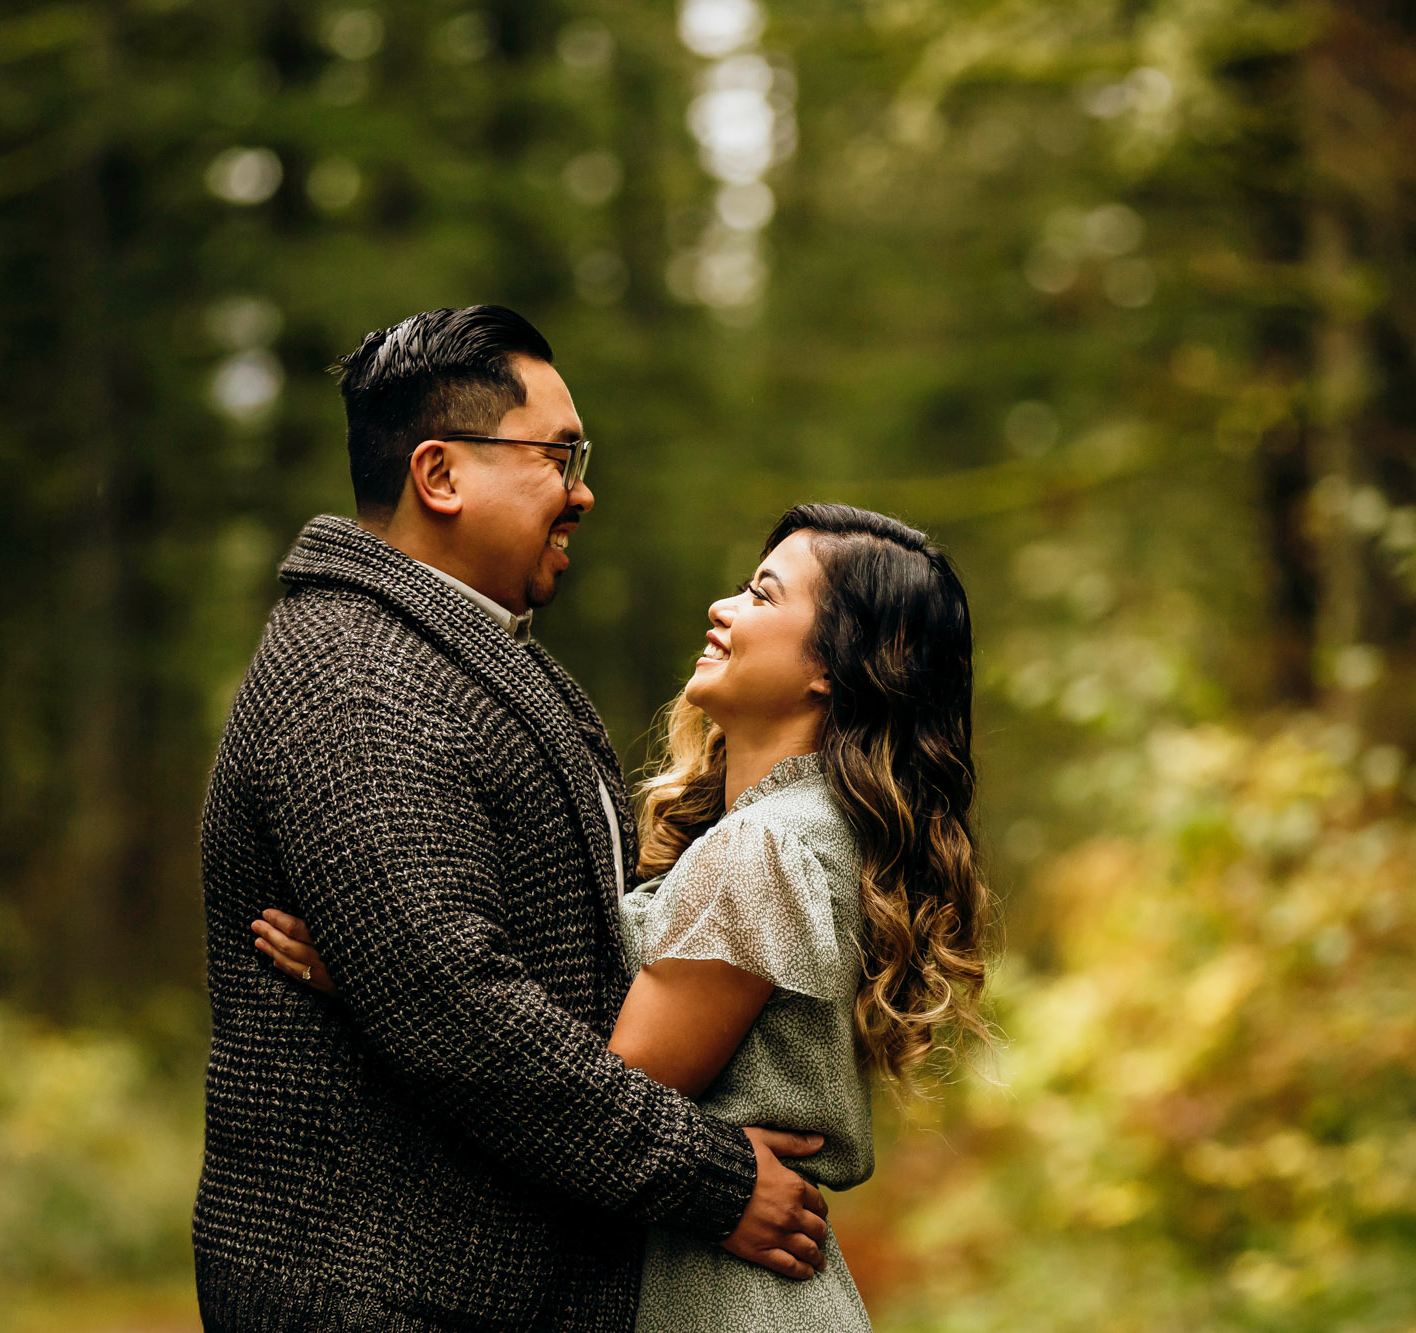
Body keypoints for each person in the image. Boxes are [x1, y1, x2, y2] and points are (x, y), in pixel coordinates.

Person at [195, 305, 830, 1333]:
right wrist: (710, 1178)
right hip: (385, 1297)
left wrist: (375, 972)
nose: (583, 490)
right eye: (558, 454)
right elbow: (457, 1012)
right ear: (439, 475)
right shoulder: (362, 682)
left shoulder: (451, 656)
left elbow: (488, 977)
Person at [258, 502, 992, 1331]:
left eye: (761, 594)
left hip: (722, 1296)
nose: (723, 608)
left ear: (833, 665)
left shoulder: (766, 848)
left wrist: (390, 978)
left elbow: (604, 1097)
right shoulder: (809, 829)